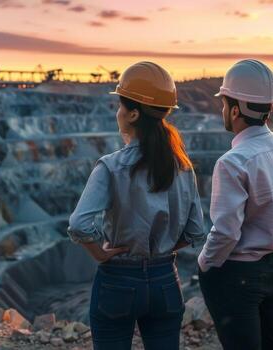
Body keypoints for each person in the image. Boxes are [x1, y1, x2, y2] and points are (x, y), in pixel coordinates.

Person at [67, 61, 205, 350]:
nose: (117, 112)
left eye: (120, 106)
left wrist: (100, 254)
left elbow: (79, 224)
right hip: (165, 280)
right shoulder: (183, 166)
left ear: (132, 113)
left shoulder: (110, 166)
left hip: (118, 280)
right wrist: (162, 248)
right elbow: (195, 231)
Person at [197, 59, 273, 350]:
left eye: (224, 103)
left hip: (237, 274)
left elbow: (225, 233)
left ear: (235, 109)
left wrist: (205, 262)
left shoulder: (232, 162)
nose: (223, 110)